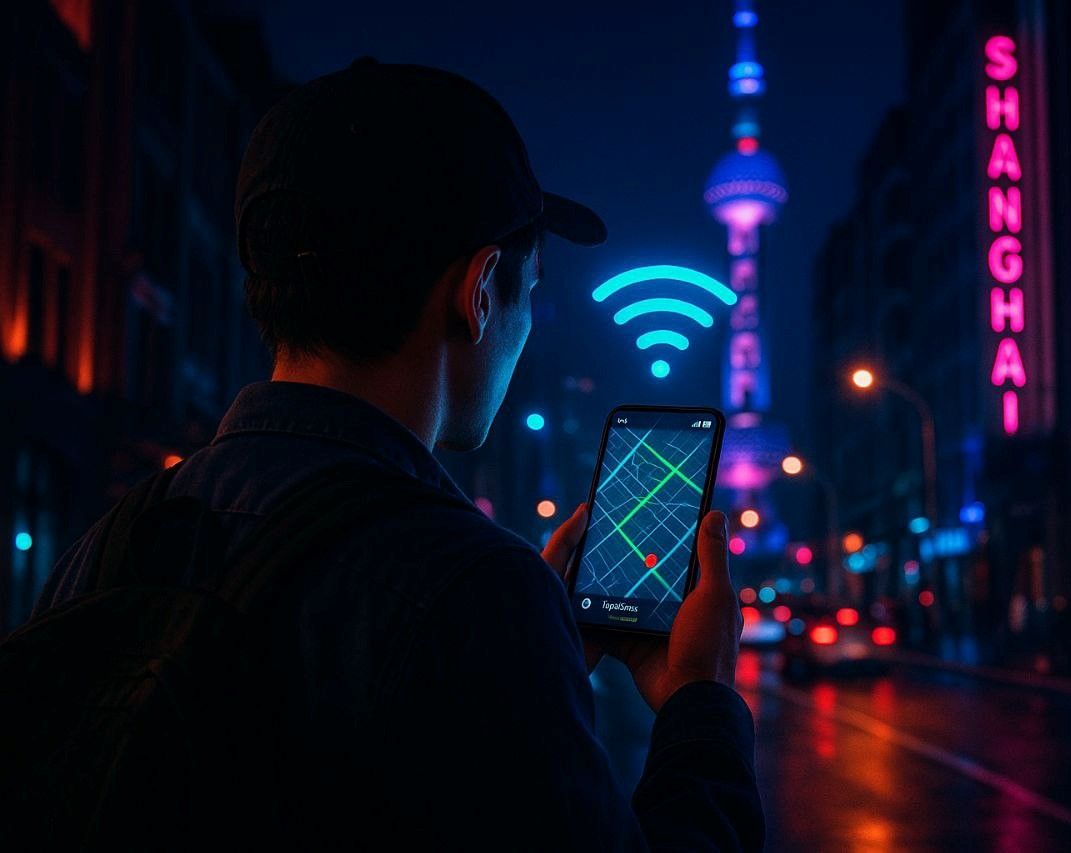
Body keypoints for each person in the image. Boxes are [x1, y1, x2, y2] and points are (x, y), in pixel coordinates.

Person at [33, 59, 763, 850]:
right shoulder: (471, 593)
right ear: (480, 291)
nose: (525, 332)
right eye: (531, 290)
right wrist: (701, 701)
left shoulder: (110, 546)